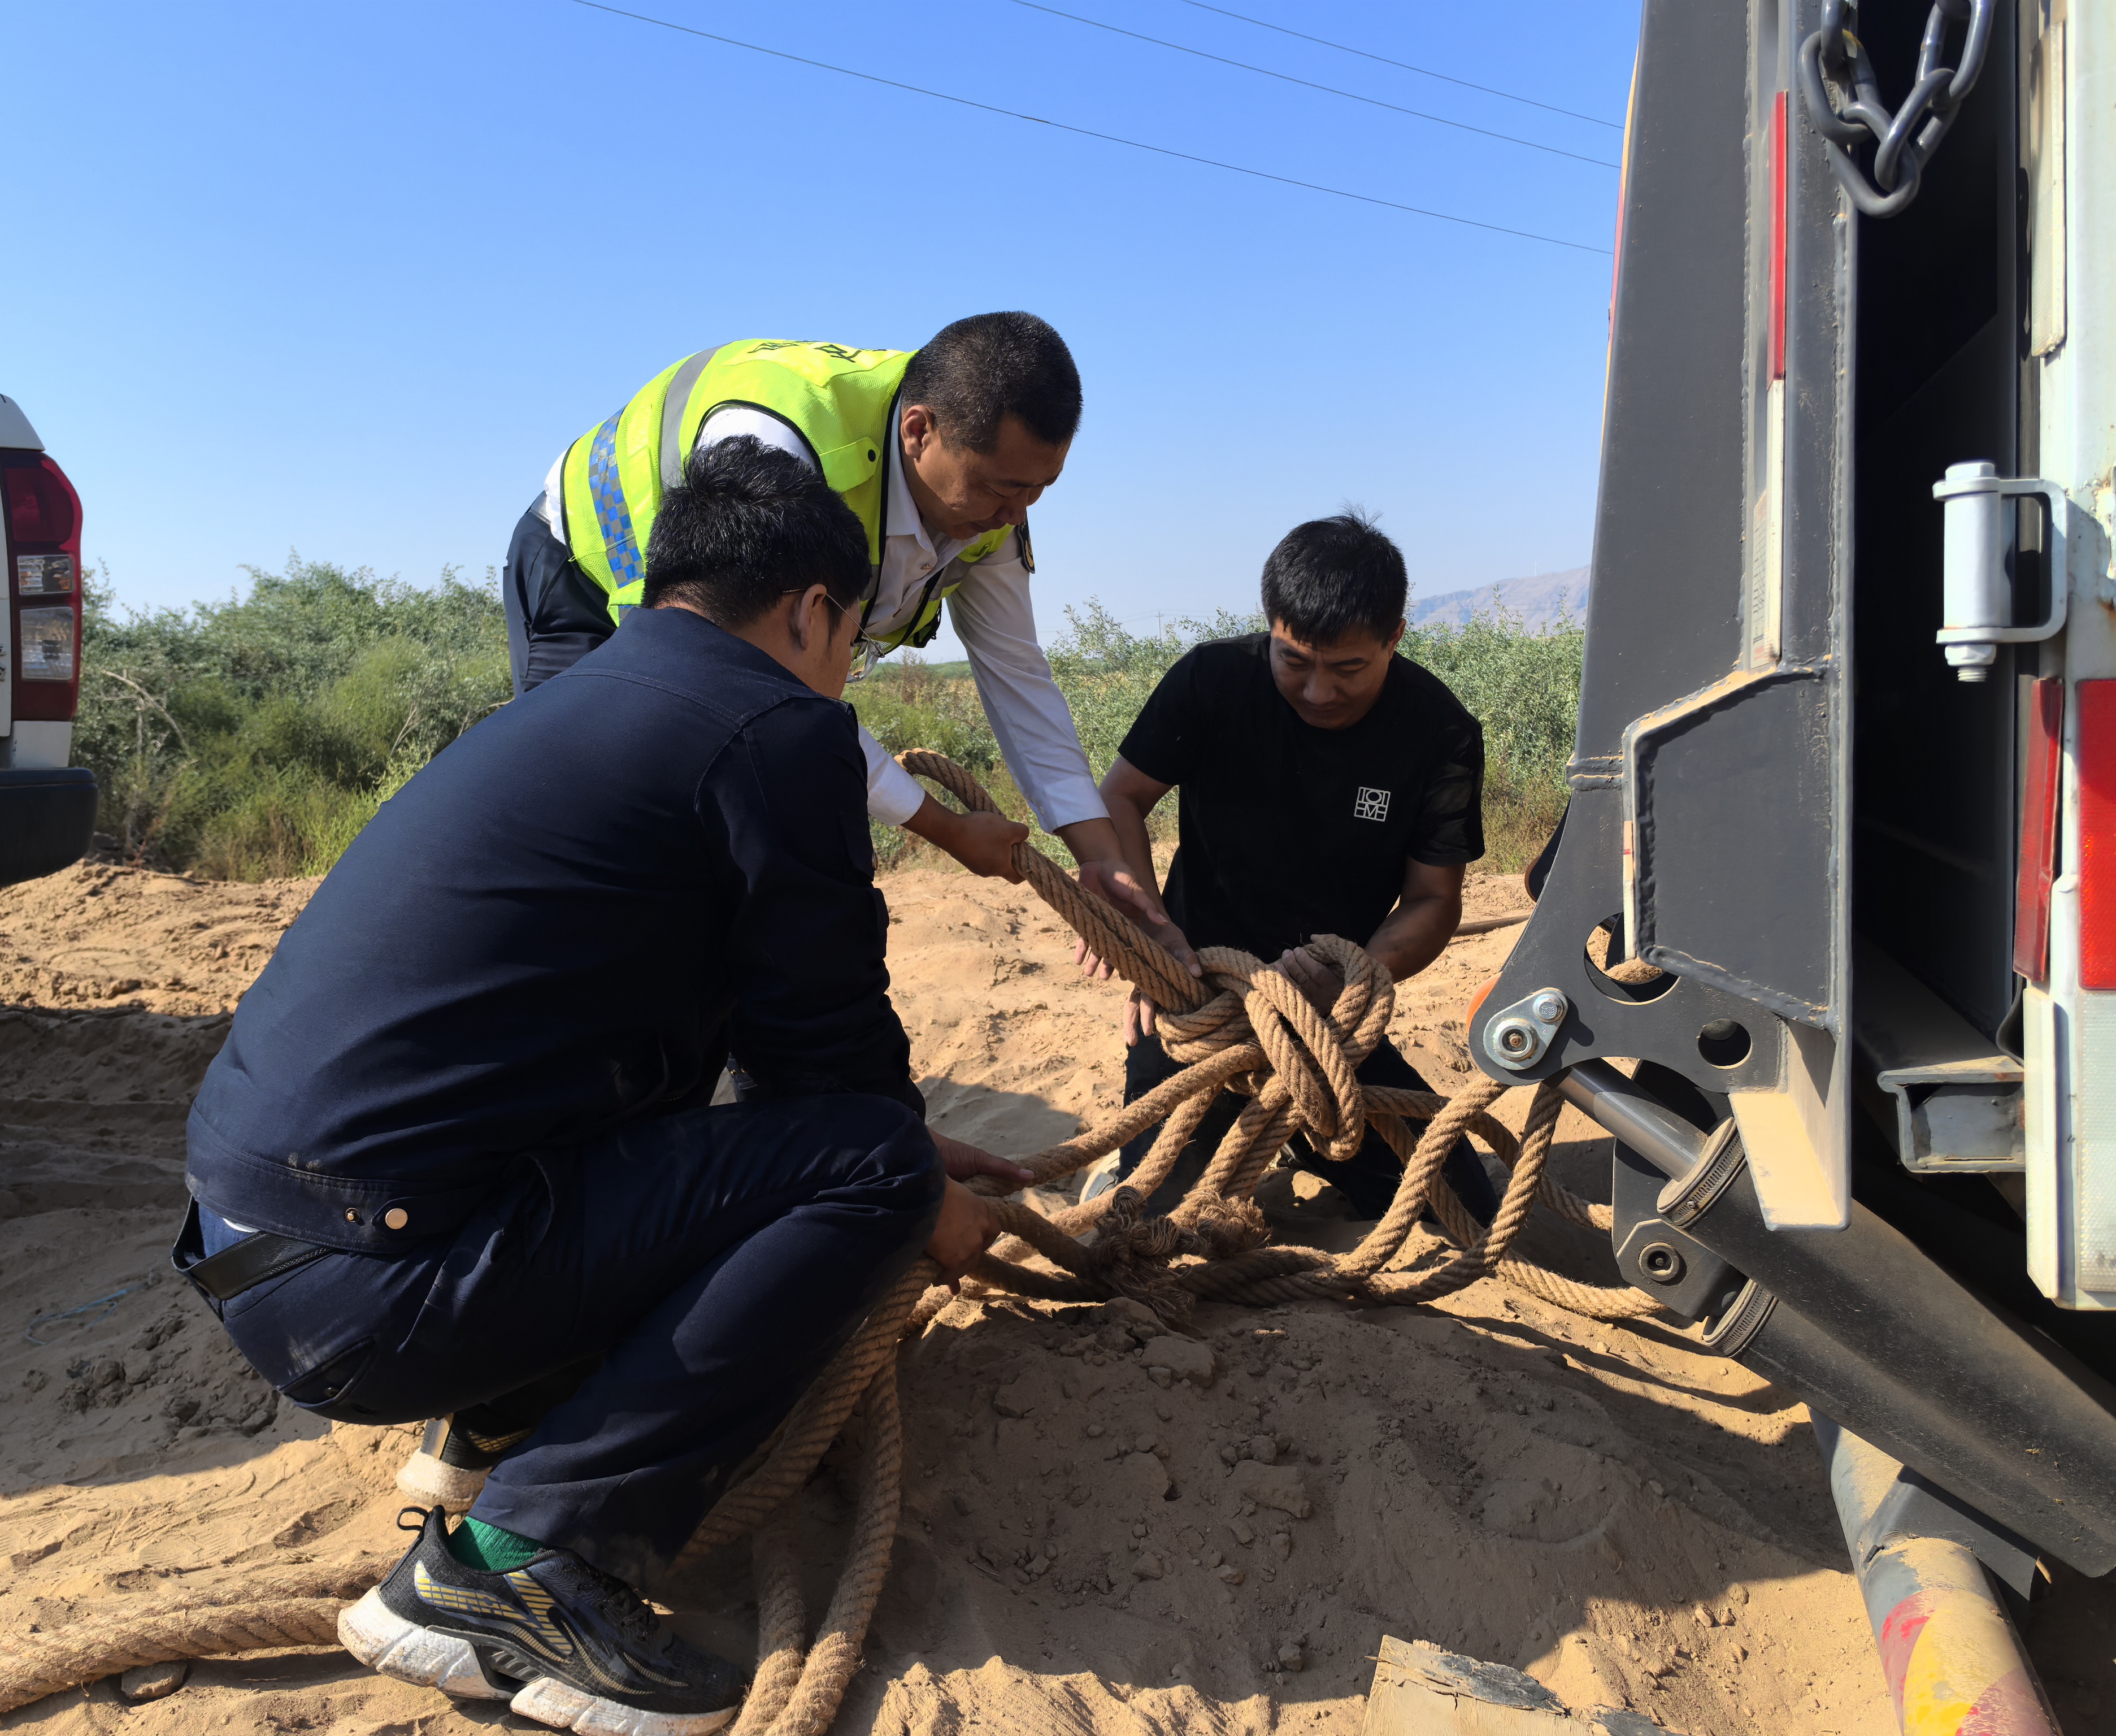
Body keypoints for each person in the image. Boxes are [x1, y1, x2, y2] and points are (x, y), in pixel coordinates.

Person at [171, 439, 1028, 1736]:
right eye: (853, 640)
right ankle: (519, 1563)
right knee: (872, 1169)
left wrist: (896, 1134)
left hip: (259, 1248)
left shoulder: (581, 700)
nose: (843, 674)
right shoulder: (780, 725)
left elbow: (787, 1058)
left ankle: (502, 1415)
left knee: (709, 1088)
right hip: (372, 1288)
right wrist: (922, 1190)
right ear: (813, 611)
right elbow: (830, 1057)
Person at [506, 311, 1178, 946]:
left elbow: (1018, 677)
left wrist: (1099, 854)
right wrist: (944, 828)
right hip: (590, 569)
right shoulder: (778, 450)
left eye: (1039, 490)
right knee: (595, 826)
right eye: (1002, 488)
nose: (1016, 514)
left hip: (731, 643)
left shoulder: (992, 510)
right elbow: (769, 684)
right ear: (919, 431)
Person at [1083, 511, 1500, 1222]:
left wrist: (1353, 974)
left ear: (1394, 637)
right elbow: (1120, 798)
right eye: (1295, 662)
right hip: (1197, 998)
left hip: (1325, 1017)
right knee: (1154, 1219)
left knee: (1462, 1209)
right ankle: (1129, 1169)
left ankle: (1303, 1140)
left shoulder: (1440, 732)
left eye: (1348, 669)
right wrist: (1150, 938)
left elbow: (1434, 898)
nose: (1317, 692)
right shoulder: (1212, 680)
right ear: (1270, 626)